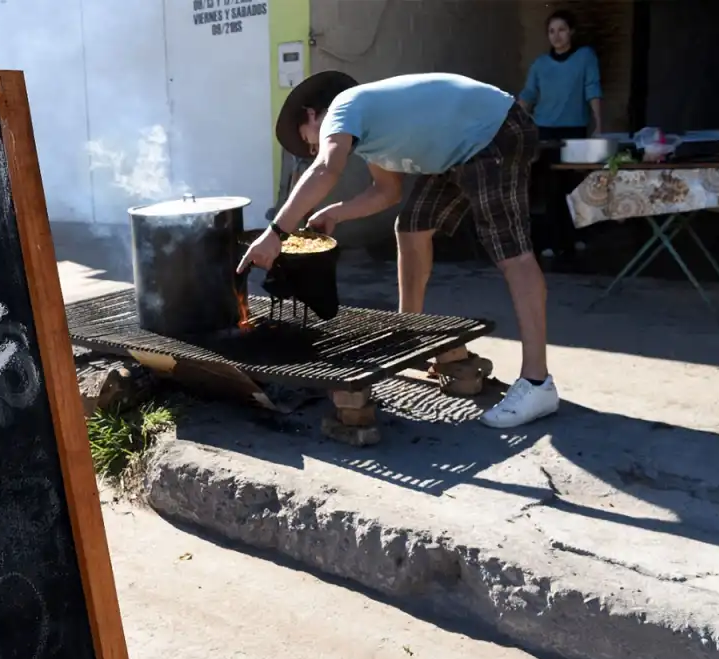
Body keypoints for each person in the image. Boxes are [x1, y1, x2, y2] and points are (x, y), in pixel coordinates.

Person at [237, 70, 559, 429]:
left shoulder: (345, 105)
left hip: (495, 131)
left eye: (309, 142)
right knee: (411, 227)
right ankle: (411, 334)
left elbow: (326, 168)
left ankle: (537, 382)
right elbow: (386, 192)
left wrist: (276, 232)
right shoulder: (370, 130)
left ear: (313, 114)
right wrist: (336, 213)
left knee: (512, 254)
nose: (314, 148)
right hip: (461, 150)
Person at [519, 9, 604, 259]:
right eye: (552, 31)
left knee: (573, 185)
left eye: (562, 30)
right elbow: (528, 97)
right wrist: (509, 122)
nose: (556, 36)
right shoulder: (540, 65)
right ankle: (550, 241)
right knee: (549, 186)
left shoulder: (585, 57)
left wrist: (599, 125)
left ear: (572, 32)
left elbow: (593, 90)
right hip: (546, 130)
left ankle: (575, 236)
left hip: (574, 129)